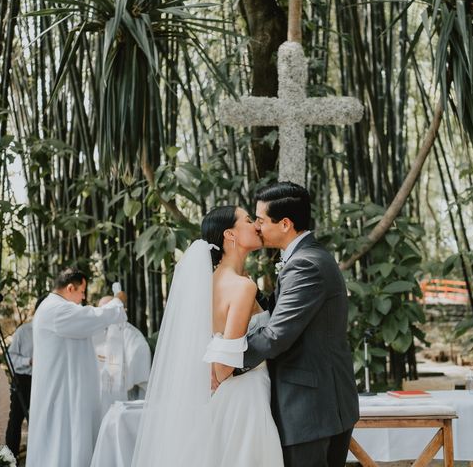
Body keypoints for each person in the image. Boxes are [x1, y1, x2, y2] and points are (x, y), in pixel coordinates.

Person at [130, 206, 283, 466]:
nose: (256, 226)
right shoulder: (242, 286)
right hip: (247, 397)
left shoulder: (209, 282)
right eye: (248, 220)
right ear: (230, 235)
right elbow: (223, 366)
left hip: (226, 396)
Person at [236, 182, 359, 467]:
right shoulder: (306, 258)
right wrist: (241, 285)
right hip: (319, 404)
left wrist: (226, 360)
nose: (256, 227)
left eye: (262, 220)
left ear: (285, 224)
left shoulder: (305, 265)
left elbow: (276, 336)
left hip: (310, 408)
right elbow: (282, 313)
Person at [26, 268, 127, 467]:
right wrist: (117, 302)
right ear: (70, 287)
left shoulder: (55, 307)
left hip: (65, 391)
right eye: (82, 292)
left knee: (67, 442)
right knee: (61, 444)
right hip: (61, 394)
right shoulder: (56, 309)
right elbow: (92, 317)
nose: (83, 298)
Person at [93, 295, 151, 418]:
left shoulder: (131, 333)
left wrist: (126, 374)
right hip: (95, 393)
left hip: (122, 394)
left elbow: (140, 352)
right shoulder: (94, 334)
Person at [5, 294, 47, 458]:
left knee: (41, 421)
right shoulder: (24, 331)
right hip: (23, 380)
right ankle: (9, 459)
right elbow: (10, 358)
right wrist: (28, 361)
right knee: (15, 421)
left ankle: (40, 457)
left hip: (45, 381)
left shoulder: (56, 333)